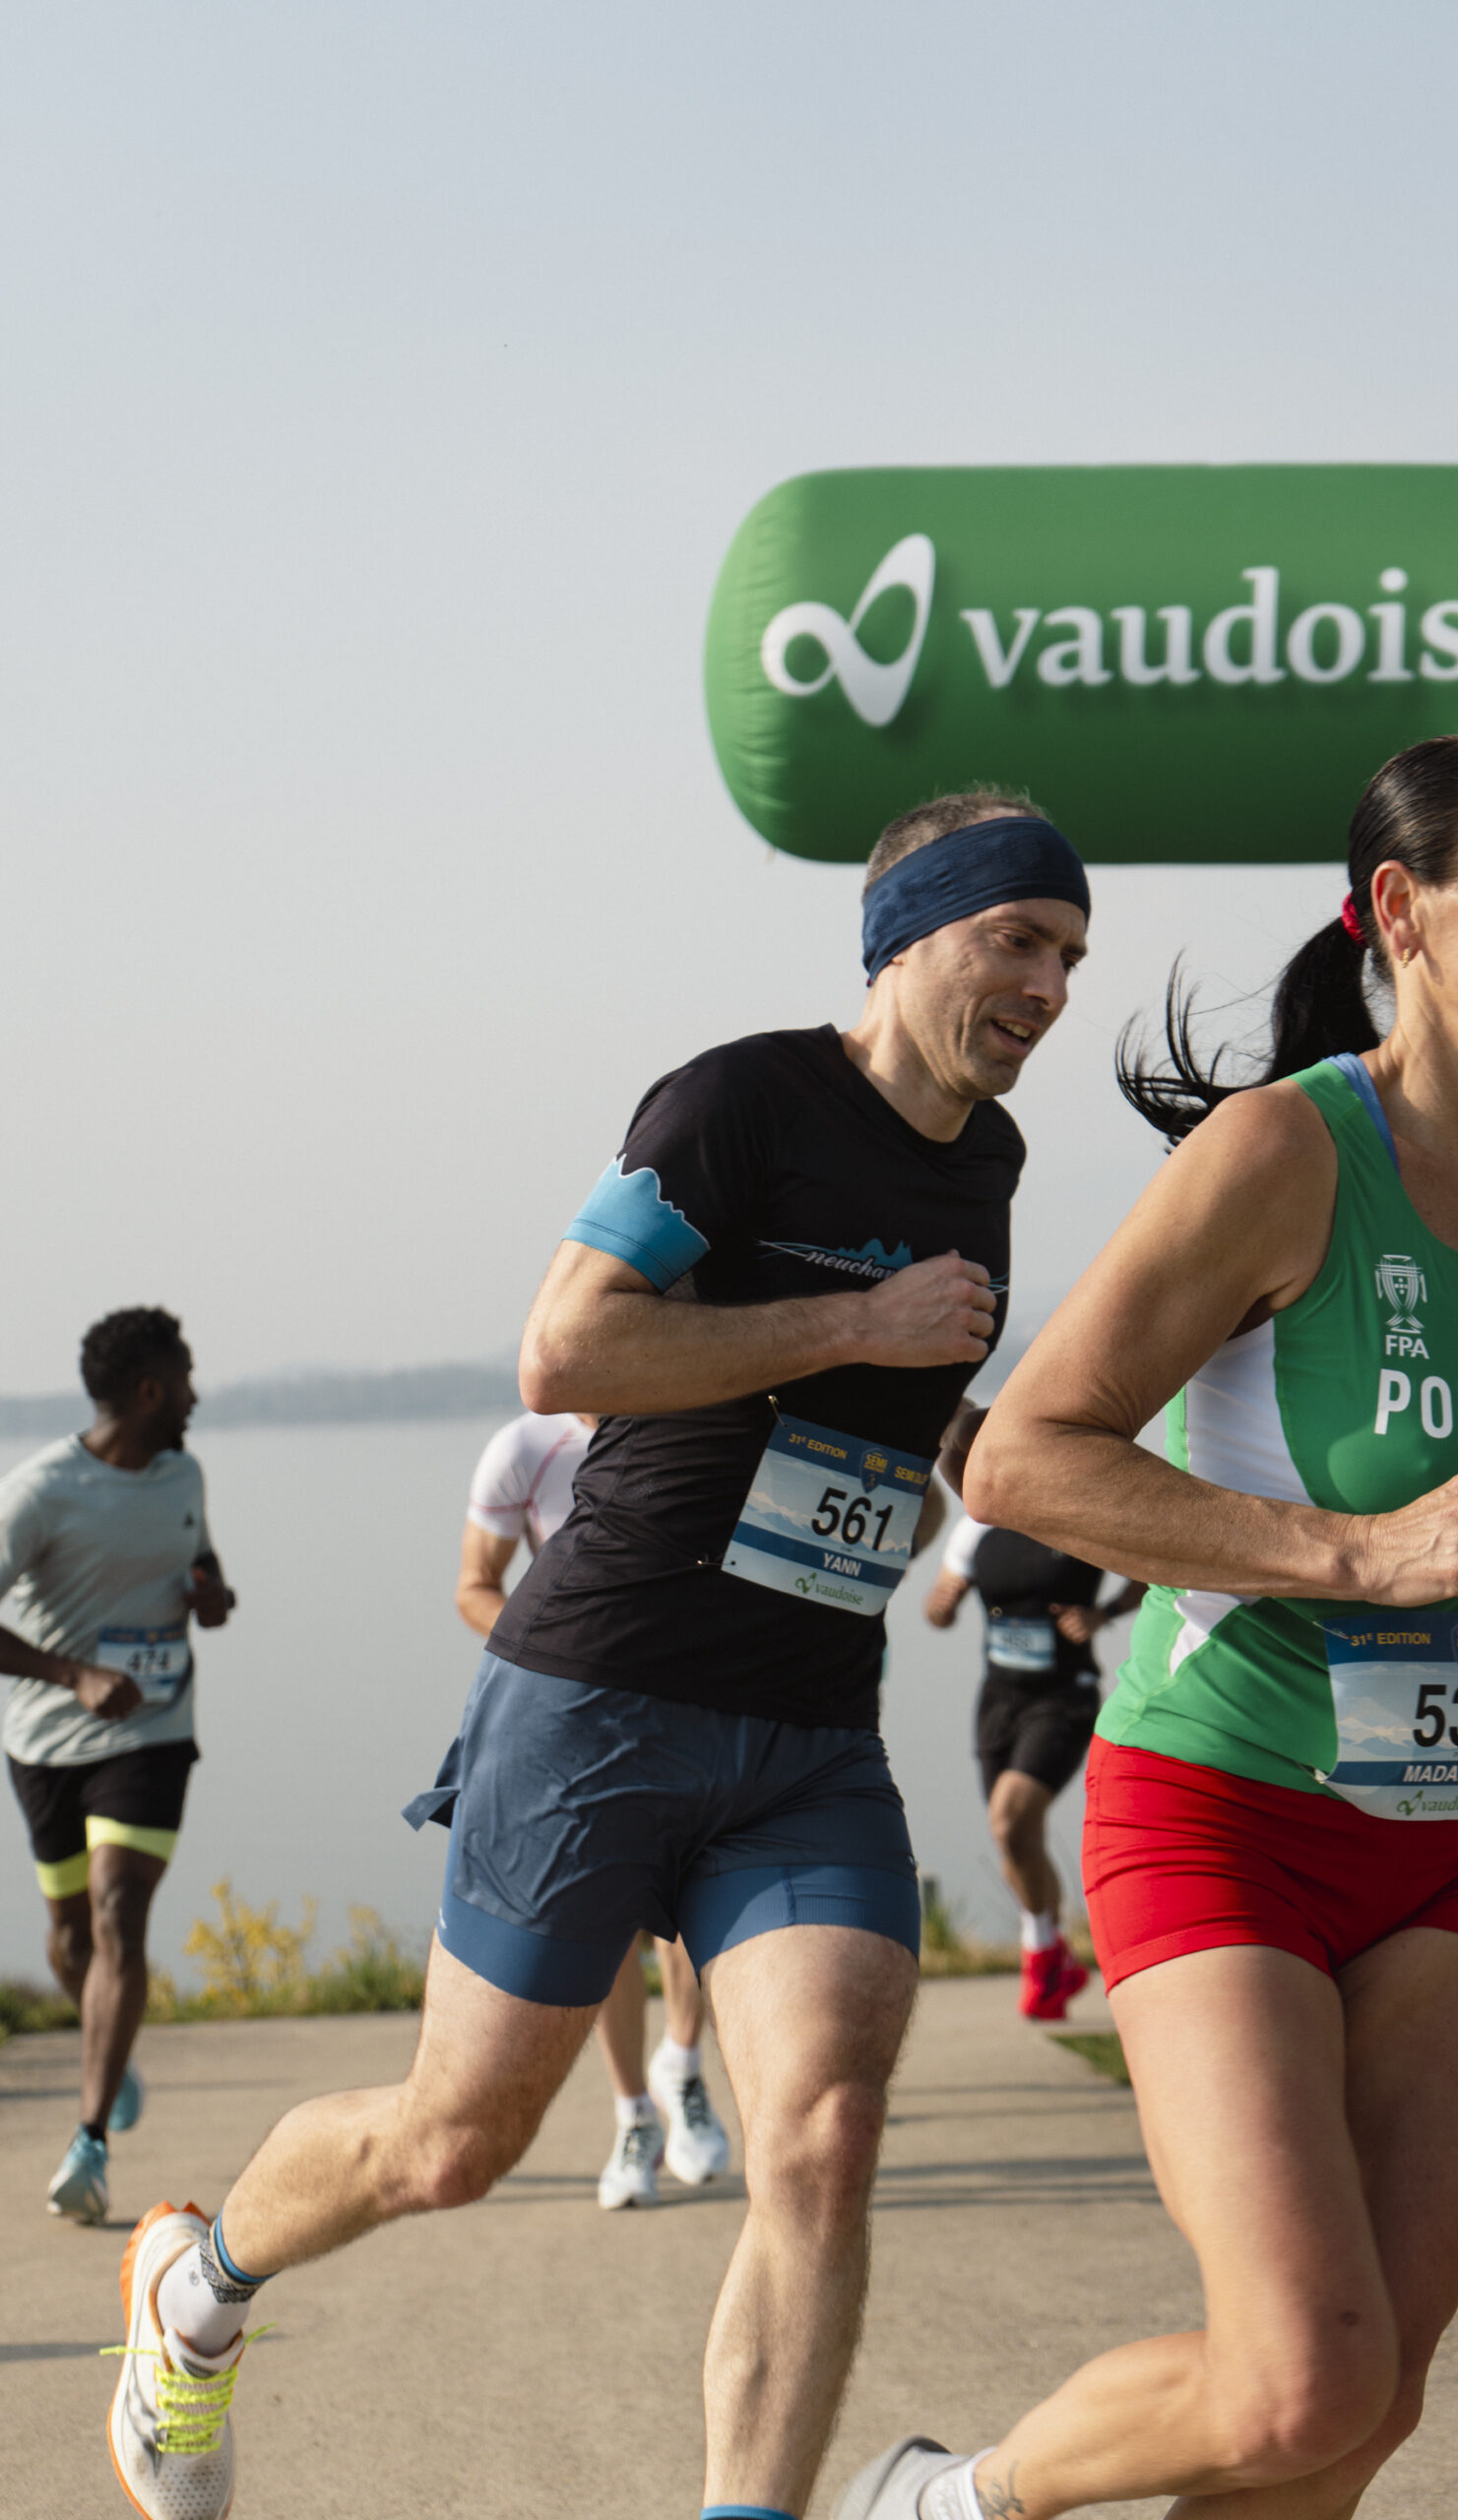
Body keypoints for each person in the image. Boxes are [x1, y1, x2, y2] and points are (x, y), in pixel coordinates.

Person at [106, 791, 1091, 2520]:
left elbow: (891, 1417)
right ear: (902, 936)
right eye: (1015, 940)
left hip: (809, 1729)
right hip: (606, 1692)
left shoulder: (987, 1164)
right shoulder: (736, 1101)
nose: (1048, 988)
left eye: (1070, 957)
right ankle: (196, 2290)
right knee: (451, 2144)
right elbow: (564, 1350)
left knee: (822, 2138)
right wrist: (860, 1318)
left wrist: (998, 1466)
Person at [840, 729, 1458, 2520]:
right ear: (1401, 911)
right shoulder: (1284, 1151)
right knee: (1298, 2372)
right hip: (1227, 1806)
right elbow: (1026, 1459)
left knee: (1363, 2409)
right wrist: (1361, 1555)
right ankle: (940, 2503)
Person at [456, 1403, 729, 2205]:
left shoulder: (701, 1413)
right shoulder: (524, 1447)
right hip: (582, 1713)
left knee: (691, 1904)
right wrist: (562, 1650)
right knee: (609, 1925)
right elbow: (474, 1586)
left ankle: (682, 2064)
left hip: (697, 1697)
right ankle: (633, 2115)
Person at [0, 1307, 235, 2227]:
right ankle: (112, 2044)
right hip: (47, 1740)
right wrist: (74, 1675)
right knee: (72, 1940)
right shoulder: (40, 1492)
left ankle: (89, 2142)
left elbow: (200, 1560)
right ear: (147, 1391)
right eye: (184, 1380)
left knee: (117, 1911)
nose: (194, 1397)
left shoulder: (184, 1474)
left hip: (154, 1732)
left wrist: (211, 1595)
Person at [923, 1497, 1141, 2020]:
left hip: (1064, 1696)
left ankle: (1039, 1952)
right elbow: (935, 1611)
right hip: (999, 1701)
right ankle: (1052, 1949)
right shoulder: (976, 1527)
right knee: (1015, 1839)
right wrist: (944, 1605)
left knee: (1011, 1818)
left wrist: (1104, 1613)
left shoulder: (1082, 1513)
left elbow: (1151, 1569)